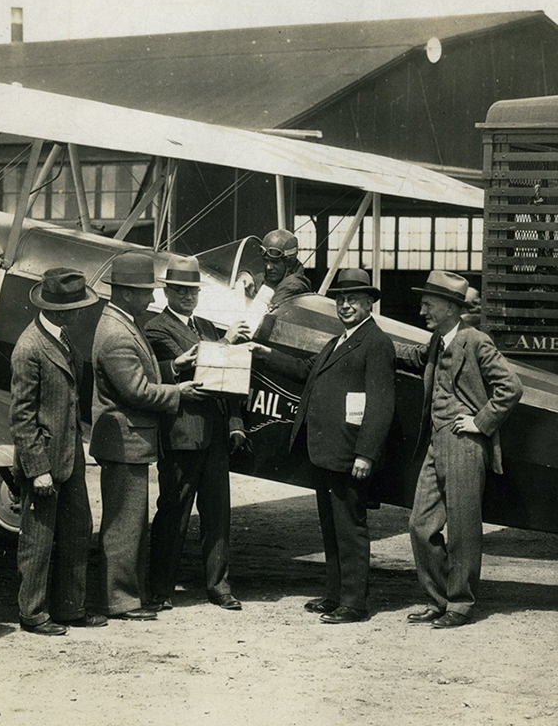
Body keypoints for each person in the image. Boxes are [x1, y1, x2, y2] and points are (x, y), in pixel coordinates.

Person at [252, 269, 395, 623]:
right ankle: (335, 595)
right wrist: (263, 353)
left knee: (350, 529)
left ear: (369, 304)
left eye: (354, 301)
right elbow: (305, 370)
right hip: (327, 451)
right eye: (341, 300)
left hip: (348, 453)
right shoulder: (339, 340)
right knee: (332, 527)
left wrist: (366, 453)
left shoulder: (376, 343)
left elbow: (382, 404)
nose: (345, 306)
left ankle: (354, 603)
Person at [396, 270, 522, 628]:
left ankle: (460, 605)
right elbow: (415, 356)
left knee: (464, 528)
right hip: (438, 441)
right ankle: (439, 599)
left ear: (451, 307)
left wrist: (480, 423)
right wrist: (370, 343)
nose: (422, 311)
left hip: (465, 444)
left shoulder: (476, 340)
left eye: (428, 304)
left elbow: (510, 388)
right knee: (420, 524)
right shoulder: (438, 340)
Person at [89, 253, 203, 620]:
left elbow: (142, 376)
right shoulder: (117, 335)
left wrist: (172, 368)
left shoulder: (123, 324)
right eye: (143, 292)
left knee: (131, 522)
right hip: (125, 441)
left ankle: (126, 596)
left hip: (129, 441)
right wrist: (178, 392)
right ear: (123, 294)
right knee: (124, 525)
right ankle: (120, 600)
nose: (151, 298)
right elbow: (136, 391)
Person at [144, 255, 248, 612]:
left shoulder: (206, 327)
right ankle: (159, 588)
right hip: (182, 436)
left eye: (192, 291)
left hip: (215, 436)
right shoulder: (156, 328)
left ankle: (219, 586)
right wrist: (220, 348)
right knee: (173, 512)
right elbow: (193, 368)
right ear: (167, 292)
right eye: (180, 290)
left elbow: (228, 377)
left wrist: (235, 424)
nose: (188, 296)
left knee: (218, 514)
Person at [9, 268, 106, 635]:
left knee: (77, 530)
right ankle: (32, 612)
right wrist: (37, 468)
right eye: (77, 306)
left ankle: (70, 607)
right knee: (38, 539)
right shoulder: (29, 348)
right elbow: (21, 416)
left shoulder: (63, 339)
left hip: (69, 457)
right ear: (59, 310)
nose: (82, 312)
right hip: (46, 463)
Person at [257, 228, 312, 310]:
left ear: (289, 262)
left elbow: (260, 316)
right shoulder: (275, 277)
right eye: (266, 261)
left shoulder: (293, 285)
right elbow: (258, 278)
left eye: (275, 262)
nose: (269, 267)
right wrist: (244, 275)